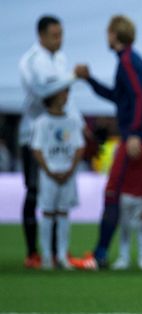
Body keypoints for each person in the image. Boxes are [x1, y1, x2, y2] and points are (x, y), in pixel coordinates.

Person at [75, 15, 142, 269]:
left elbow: (138, 95)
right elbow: (120, 96)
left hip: (140, 137)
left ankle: (100, 254)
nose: (107, 36)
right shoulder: (130, 60)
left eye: (109, 32)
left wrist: (133, 132)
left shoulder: (127, 61)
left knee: (113, 191)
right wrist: (90, 80)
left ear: (115, 33)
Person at [18, 15, 82, 269]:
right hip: (35, 133)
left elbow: (66, 96)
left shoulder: (61, 59)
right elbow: (42, 92)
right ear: (41, 36)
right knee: (35, 191)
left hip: (63, 136)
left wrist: (79, 124)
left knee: (60, 201)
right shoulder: (30, 62)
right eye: (55, 35)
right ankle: (33, 251)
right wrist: (72, 77)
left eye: (61, 34)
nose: (60, 40)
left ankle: (57, 252)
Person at [30, 82, 84, 270]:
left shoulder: (72, 121)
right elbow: (37, 149)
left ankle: (62, 256)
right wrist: (49, 170)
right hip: (49, 174)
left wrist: (70, 170)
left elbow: (79, 147)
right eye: (63, 93)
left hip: (67, 173)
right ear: (52, 96)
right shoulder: (42, 122)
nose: (66, 96)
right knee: (47, 213)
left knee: (63, 213)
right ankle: (46, 256)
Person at [112, 192, 142, 270]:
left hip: (141, 196)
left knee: (141, 228)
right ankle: (124, 258)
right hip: (125, 195)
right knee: (125, 229)